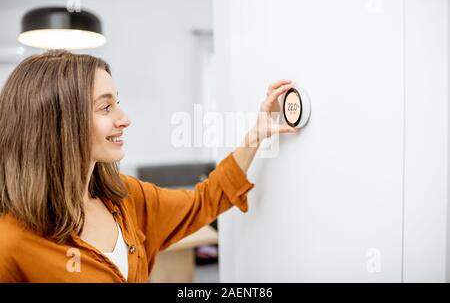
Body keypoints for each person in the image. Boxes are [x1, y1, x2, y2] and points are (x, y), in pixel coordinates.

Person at [0, 50, 298, 282]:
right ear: (58, 124)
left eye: (117, 102)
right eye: (106, 107)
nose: (125, 118)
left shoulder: (127, 199)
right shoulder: (9, 245)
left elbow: (204, 200)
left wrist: (256, 134)